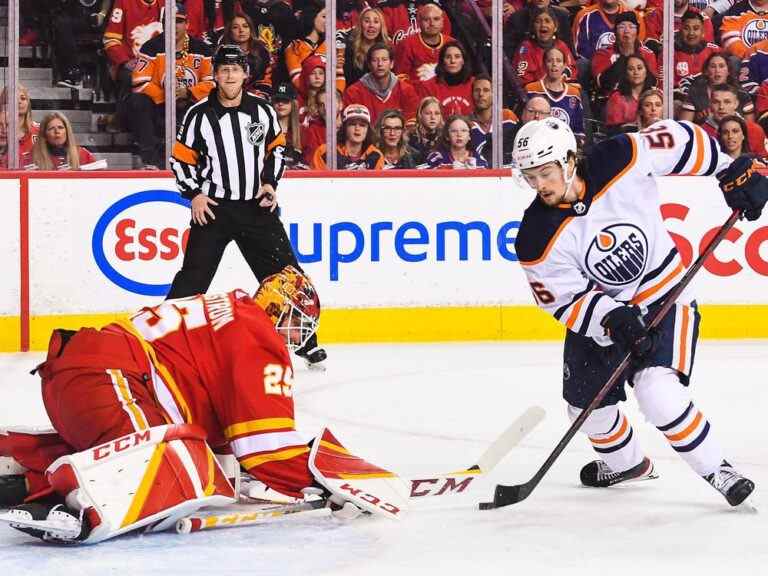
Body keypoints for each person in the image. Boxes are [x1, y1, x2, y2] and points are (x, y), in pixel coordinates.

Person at [0, 269, 381, 544]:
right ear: (282, 312)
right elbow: (267, 449)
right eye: (298, 325)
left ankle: (21, 473)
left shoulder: (227, 308)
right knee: (169, 476)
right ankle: (72, 507)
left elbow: (222, 425)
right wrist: (324, 480)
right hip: (111, 381)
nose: (297, 338)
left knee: (188, 457)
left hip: (79, 383)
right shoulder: (259, 335)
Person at [511, 115, 766, 507]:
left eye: (546, 172)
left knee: (657, 393)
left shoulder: (620, 156)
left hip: (664, 294)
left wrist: (728, 167)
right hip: (605, 319)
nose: (540, 184)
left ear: (568, 159)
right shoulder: (534, 236)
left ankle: (719, 469)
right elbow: (563, 298)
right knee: (585, 408)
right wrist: (610, 317)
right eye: (531, 177)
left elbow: (681, 140)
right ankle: (627, 464)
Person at [169, 44, 327, 367]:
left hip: (257, 208)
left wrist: (270, 183)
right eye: (223, 70)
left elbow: (277, 151)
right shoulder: (198, 114)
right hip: (215, 209)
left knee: (287, 276)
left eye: (235, 69)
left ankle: (306, 342)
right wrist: (195, 194)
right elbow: (181, 161)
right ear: (215, 74)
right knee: (192, 279)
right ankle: (165, 340)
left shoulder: (263, 111)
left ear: (245, 73)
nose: (229, 75)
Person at [128, 4, 215, 169]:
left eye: (179, 21)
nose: (174, 25)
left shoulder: (202, 49)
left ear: (187, 24)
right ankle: (150, 161)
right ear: (162, 24)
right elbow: (139, 82)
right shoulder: (151, 47)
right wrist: (167, 96)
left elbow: (212, 82)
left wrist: (189, 93)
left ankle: (206, 161)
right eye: (169, 21)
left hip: (192, 103)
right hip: (160, 104)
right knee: (138, 101)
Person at [342, 42, 420, 127]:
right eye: (375, 60)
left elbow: (411, 126)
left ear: (392, 64)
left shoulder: (406, 90)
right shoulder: (354, 92)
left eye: (384, 60)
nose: (380, 64)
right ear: (369, 65)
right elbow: (350, 127)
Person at [525, 48, 585, 144]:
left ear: (564, 65)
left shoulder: (574, 93)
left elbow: (579, 130)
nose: (554, 64)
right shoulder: (531, 89)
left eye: (559, 61)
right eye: (550, 61)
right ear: (544, 65)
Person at [678, 52, 754, 124]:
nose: (717, 71)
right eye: (713, 66)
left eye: (721, 66)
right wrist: (699, 120)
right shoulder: (695, 93)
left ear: (728, 71)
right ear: (706, 71)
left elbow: (750, 128)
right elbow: (684, 127)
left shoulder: (742, 95)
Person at [512, 6, 575, 88]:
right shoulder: (525, 48)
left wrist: (561, 80)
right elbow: (523, 79)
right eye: (538, 22)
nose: (543, 25)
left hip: (561, 88)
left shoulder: (561, 45)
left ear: (555, 27)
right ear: (533, 27)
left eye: (547, 21)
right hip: (536, 93)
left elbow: (572, 68)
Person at [311, 104, 385, 170]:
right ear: (344, 127)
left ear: (368, 130)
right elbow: (318, 182)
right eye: (352, 124)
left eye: (362, 125)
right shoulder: (325, 152)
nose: (357, 128)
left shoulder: (376, 155)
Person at [394, 3, 453, 83]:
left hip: (446, 92)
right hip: (417, 93)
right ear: (419, 22)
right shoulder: (406, 45)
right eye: (426, 19)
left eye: (436, 19)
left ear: (443, 21)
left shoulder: (452, 44)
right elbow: (400, 78)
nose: (432, 23)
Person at [219, 11, 272, 97]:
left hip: (256, 96)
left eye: (245, 26)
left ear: (250, 29)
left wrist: (258, 95)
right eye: (235, 27)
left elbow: (266, 80)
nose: (241, 30)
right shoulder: (222, 53)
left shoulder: (262, 51)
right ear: (229, 31)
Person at [416, 40, 475, 117]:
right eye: (448, 57)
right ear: (442, 61)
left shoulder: (475, 84)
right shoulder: (428, 86)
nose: (453, 61)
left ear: (463, 60)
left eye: (457, 57)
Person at [28, 112, 101, 170]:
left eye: (60, 127)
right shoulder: (34, 156)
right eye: (51, 128)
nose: (57, 131)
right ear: (44, 135)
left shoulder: (83, 154)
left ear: (67, 131)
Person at [338, 6, 391, 87]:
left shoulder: (388, 48)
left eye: (376, 22)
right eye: (367, 21)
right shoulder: (349, 48)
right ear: (360, 25)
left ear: (381, 27)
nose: (371, 25)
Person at [605, 55, 657, 134]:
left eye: (639, 68)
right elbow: (614, 131)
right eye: (631, 69)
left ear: (646, 72)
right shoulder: (617, 98)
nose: (636, 72)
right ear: (626, 74)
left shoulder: (655, 95)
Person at [273, 83, 307, 169]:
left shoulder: (303, 132)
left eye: (285, 100)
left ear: (293, 104)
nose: (280, 104)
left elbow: (308, 163)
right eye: (277, 100)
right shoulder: (266, 130)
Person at [408, 95, 444, 162]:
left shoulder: (446, 137)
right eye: (428, 113)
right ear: (420, 115)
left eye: (437, 113)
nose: (433, 117)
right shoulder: (410, 138)